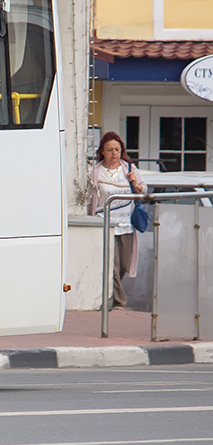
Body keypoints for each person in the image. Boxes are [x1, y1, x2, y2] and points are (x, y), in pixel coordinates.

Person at [87, 130, 145, 310]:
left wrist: (135, 183)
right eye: (110, 150)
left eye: (117, 150)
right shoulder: (95, 173)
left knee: (124, 266)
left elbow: (142, 191)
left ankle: (110, 297)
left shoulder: (129, 168)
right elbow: (90, 199)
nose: (114, 154)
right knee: (111, 265)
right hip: (106, 225)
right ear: (102, 152)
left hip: (126, 224)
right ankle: (119, 303)